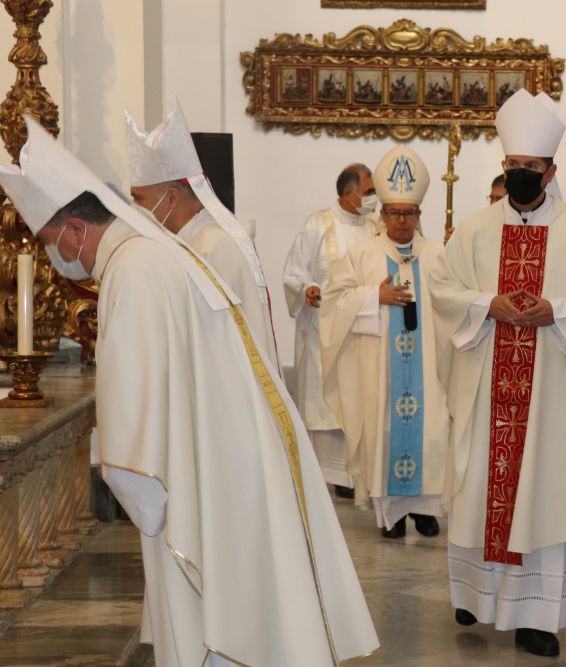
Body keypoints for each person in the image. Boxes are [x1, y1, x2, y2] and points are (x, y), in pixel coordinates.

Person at [0, 117, 378, 667]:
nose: (54, 254)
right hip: (221, 458)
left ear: (77, 230)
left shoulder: (132, 269)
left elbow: (133, 408)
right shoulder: (151, 254)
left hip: (195, 474)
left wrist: (134, 487)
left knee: (207, 620)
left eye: (50, 239)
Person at [427, 89, 566, 658]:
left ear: (551, 170)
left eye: (530, 168)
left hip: (550, 398)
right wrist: (486, 304)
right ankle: (474, 595)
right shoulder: (473, 230)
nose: (520, 174)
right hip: (486, 386)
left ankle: (536, 618)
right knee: (480, 487)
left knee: (542, 491)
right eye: (512, 166)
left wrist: (557, 311)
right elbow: (443, 288)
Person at [321, 145, 448, 540]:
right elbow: (334, 300)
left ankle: (425, 511)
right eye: (394, 213)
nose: (401, 220)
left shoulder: (439, 255)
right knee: (385, 434)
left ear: (419, 215)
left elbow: (456, 303)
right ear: (383, 214)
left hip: (428, 368)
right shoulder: (362, 254)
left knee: (430, 433)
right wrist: (373, 296)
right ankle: (390, 515)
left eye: (409, 213)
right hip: (379, 368)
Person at [125, 103, 279, 368]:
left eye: (139, 200)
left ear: (171, 198)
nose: (135, 210)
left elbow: (203, 343)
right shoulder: (194, 241)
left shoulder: (210, 248)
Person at [283, 164, 378, 499]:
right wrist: (306, 288)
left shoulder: (375, 228)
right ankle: (333, 475)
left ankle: (360, 476)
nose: (374, 198)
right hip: (322, 329)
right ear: (349, 194)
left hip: (363, 330)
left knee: (360, 401)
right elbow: (294, 272)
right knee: (328, 403)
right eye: (369, 191)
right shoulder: (318, 225)